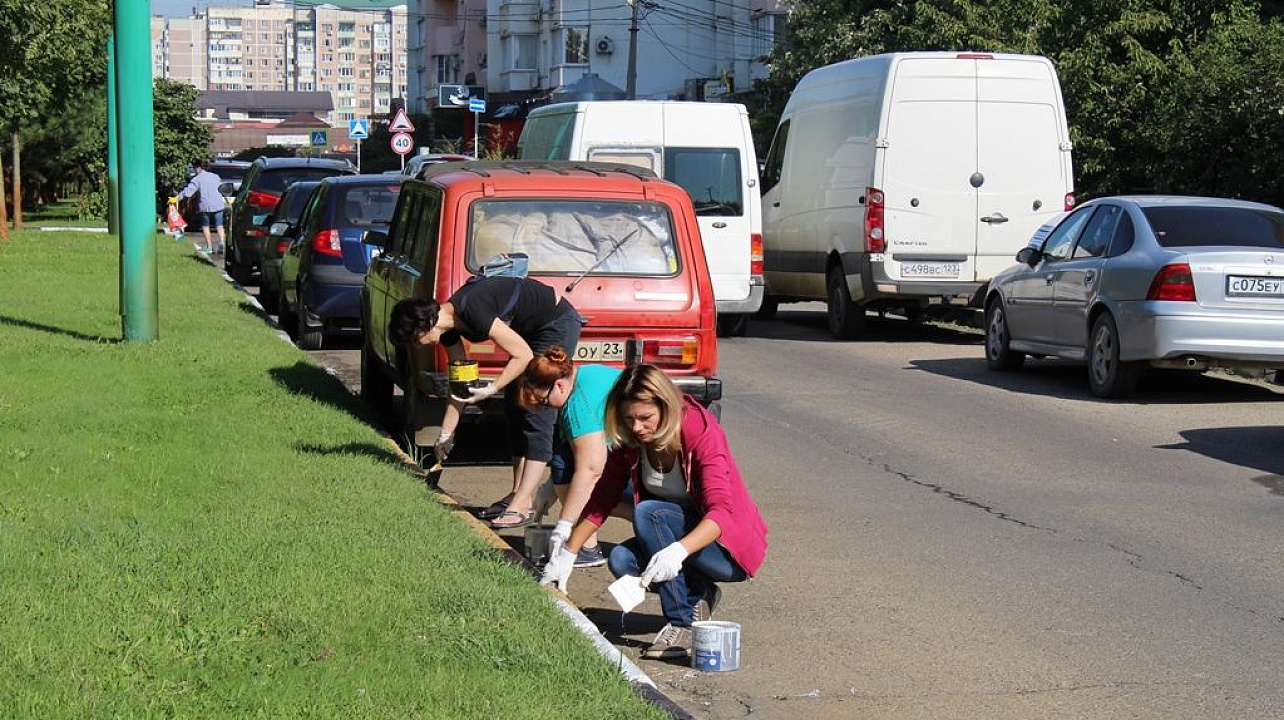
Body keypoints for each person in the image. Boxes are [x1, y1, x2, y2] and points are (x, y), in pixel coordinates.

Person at [541, 365, 769, 660]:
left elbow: (722, 512)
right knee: (623, 560)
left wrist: (677, 551)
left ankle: (681, 624)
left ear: (665, 406)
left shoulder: (699, 431)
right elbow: (603, 498)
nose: (636, 427)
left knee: (650, 513)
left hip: (725, 550)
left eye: (645, 418)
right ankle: (698, 595)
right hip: (682, 537)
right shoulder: (632, 440)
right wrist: (568, 553)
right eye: (628, 418)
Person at [388, 276, 585, 530]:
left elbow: (522, 354)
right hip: (530, 331)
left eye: (414, 341)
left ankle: (524, 503)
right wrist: (446, 434)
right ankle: (516, 493)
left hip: (555, 322)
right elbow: (460, 387)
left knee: (536, 408)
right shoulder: (449, 330)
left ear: (423, 327)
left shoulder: (471, 307)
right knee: (515, 406)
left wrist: (492, 388)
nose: (416, 346)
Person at [519, 348, 624, 569]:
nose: (545, 409)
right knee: (560, 462)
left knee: (570, 469)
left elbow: (592, 468)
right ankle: (587, 544)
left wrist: (563, 526)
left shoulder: (577, 406)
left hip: (649, 459)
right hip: (632, 445)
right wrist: (551, 487)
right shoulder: (582, 376)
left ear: (559, 385)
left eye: (544, 402)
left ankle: (584, 544)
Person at [176, 159, 227, 254]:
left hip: (205, 205)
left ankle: (209, 247)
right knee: (219, 225)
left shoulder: (197, 179)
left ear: (198, 168)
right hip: (218, 204)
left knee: (205, 226)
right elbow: (221, 188)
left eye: (194, 168)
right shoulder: (215, 177)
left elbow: (188, 192)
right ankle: (222, 243)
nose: (194, 170)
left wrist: (177, 198)